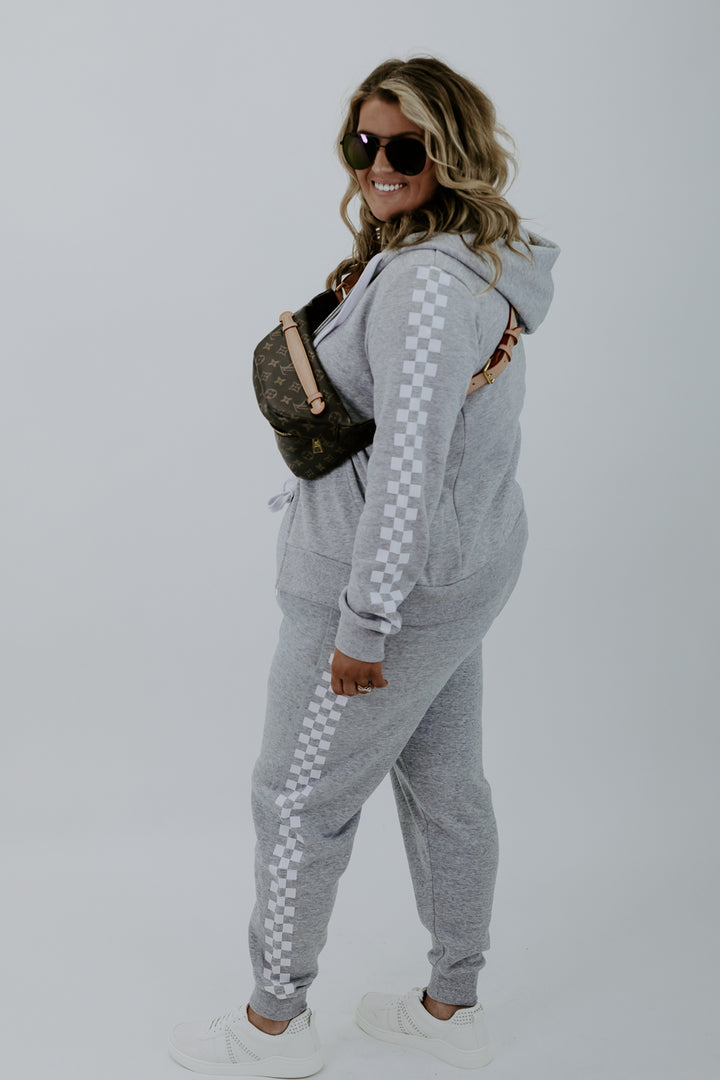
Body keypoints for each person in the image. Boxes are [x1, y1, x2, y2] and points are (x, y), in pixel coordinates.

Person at [169, 56, 559, 1076]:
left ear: (451, 151)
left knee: (296, 798)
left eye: (405, 147)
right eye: (363, 143)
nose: (377, 164)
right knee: (444, 785)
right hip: (463, 571)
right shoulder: (474, 257)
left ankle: (272, 1026)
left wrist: (363, 625)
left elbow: (407, 471)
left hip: (387, 590)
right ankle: (451, 1007)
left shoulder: (424, 287)